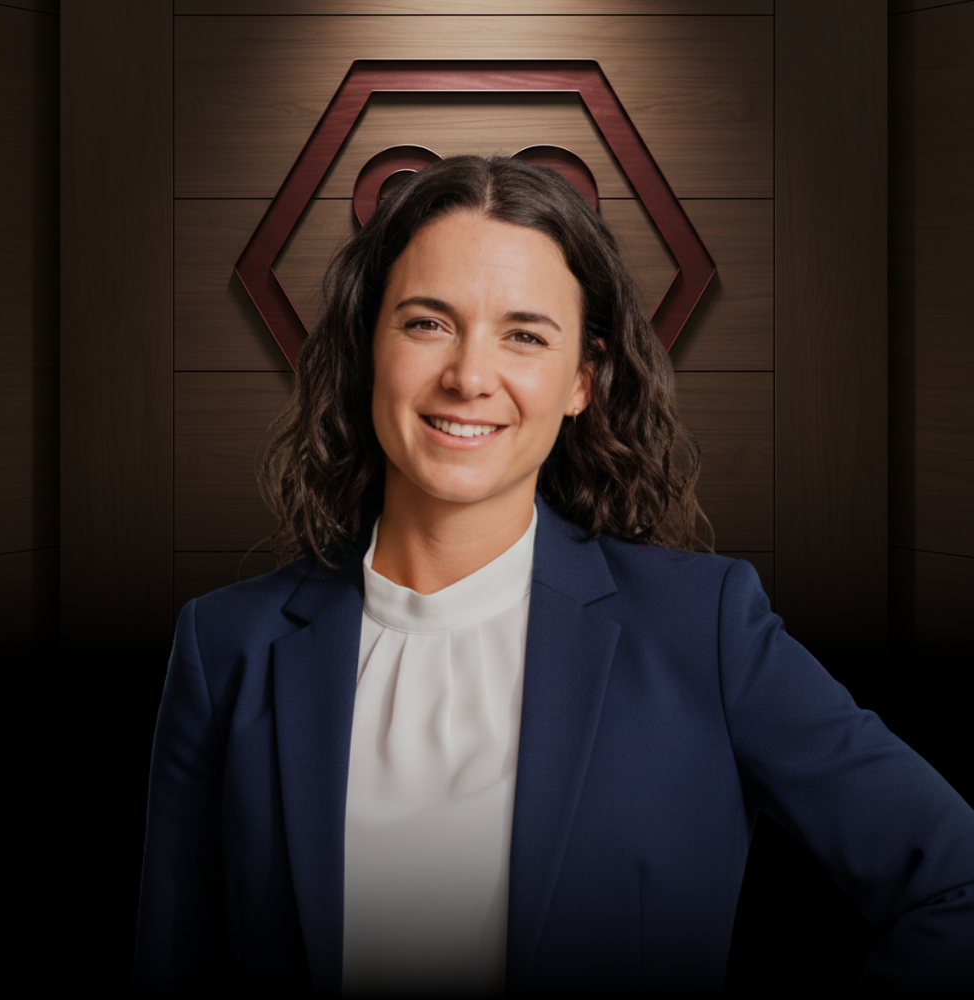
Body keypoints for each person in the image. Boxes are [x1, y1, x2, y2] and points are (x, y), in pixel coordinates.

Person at [133, 155, 974, 996]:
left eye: (525, 336)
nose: (469, 377)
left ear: (581, 381)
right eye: (427, 323)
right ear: (366, 348)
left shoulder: (704, 630)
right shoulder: (225, 647)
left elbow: (956, 882)